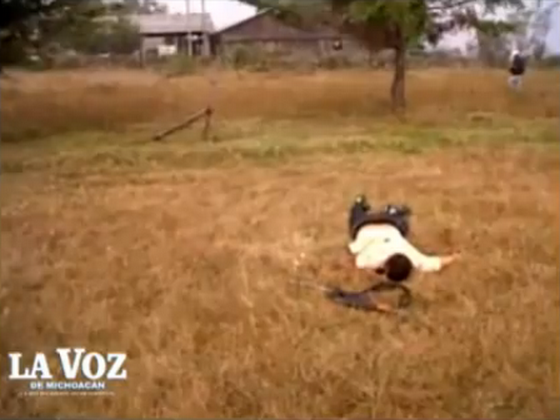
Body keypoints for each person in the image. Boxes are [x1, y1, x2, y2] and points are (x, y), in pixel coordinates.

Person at [347, 194, 459, 282]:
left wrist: (454, 257)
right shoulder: (371, 261)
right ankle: (362, 205)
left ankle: (363, 204)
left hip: (390, 223)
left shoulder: (410, 255)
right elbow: (355, 259)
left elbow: (435, 262)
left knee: (402, 223)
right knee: (355, 221)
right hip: (364, 225)